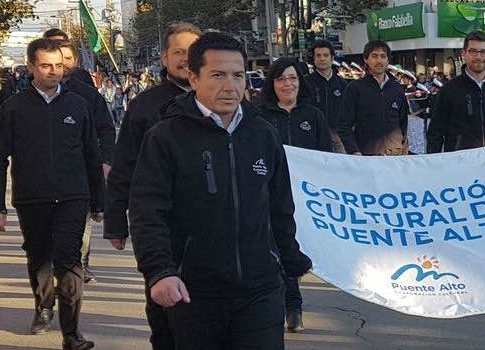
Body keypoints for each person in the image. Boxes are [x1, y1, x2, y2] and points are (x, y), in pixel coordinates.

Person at [129, 31, 306, 350]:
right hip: (193, 292)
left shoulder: (262, 133)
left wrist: (288, 258)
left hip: (261, 290)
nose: (230, 85)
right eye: (218, 75)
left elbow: (280, 206)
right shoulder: (165, 138)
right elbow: (147, 212)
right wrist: (160, 272)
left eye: (238, 75)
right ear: (194, 77)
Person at [0, 38, 104, 350]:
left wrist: (100, 202)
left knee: (69, 261)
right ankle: (43, 305)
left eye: (59, 66)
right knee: (39, 260)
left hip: (73, 197)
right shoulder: (13, 109)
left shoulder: (78, 105)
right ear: (31, 67)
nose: (54, 71)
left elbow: (92, 155)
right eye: (46, 65)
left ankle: (71, 333)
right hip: (32, 198)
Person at [103, 21, 199, 350]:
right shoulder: (144, 106)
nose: (186, 59)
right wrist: (116, 221)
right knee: (165, 312)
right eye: (178, 52)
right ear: (164, 58)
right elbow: (124, 166)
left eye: (193, 52)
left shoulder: (223, 99)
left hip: (214, 226)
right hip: (160, 225)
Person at [255, 57, 323, 331]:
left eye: (293, 78)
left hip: (305, 195)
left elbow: (325, 157)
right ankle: (291, 305)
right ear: (272, 84)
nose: (288, 83)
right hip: (271, 194)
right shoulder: (260, 116)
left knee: (295, 245)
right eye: (282, 78)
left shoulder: (312, 115)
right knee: (280, 245)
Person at [55, 39, 117, 284]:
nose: (61, 65)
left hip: (82, 172)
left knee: (81, 222)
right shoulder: (28, 97)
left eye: (67, 59)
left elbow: (106, 129)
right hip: (45, 178)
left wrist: (106, 160)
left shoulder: (86, 95)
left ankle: (79, 264)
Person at [425, 31, 485, 154]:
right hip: (461, 163)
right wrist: (434, 163)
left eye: (483, 52)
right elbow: (435, 132)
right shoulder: (449, 90)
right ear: (464, 54)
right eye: (473, 51)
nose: (478, 56)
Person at [337, 40, 410, 156]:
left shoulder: (397, 88)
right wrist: (354, 151)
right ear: (366, 59)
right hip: (366, 155)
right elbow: (343, 125)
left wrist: (403, 145)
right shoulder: (355, 88)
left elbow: (403, 122)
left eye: (383, 56)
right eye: (374, 56)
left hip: (394, 155)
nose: (379, 60)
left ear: (388, 60)